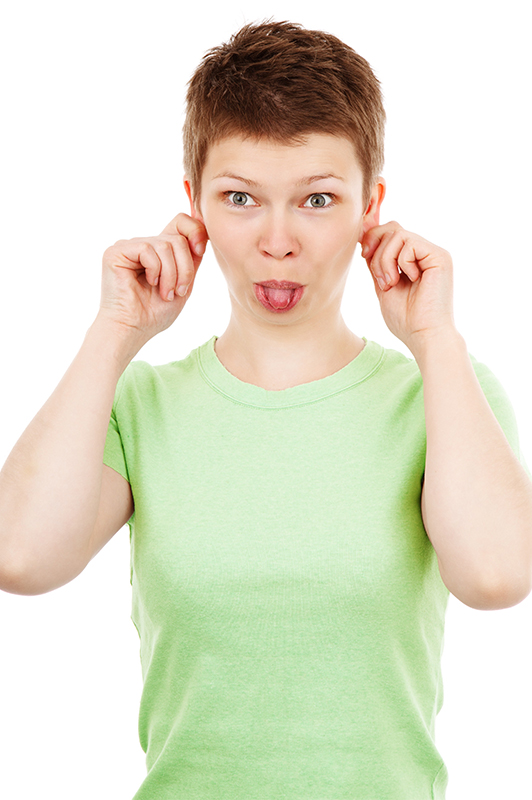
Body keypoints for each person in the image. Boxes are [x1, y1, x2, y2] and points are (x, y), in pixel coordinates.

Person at [0, 19, 531, 800]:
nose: (277, 241)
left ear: (369, 208)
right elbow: (21, 558)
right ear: (195, 206)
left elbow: (496, 577)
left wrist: (436, 339)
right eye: (241, 198)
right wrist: (114, 336)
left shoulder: (442, 395)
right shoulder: (138, 403)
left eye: (317, 199)